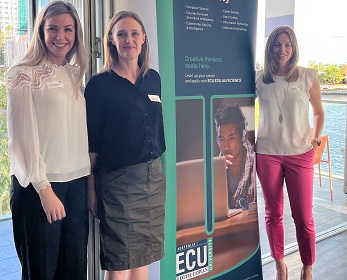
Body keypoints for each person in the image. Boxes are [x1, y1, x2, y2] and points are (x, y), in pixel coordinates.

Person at [6, 2, 90, 279]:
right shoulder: (23, 74)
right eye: (52, 28)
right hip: (38, 187)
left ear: (76, 34)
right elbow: (21, 138)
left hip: (76, 187)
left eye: (68, 29)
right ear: (41, 31)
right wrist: (44, 189)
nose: (60, 37)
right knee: (41, 272)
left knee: (75, 270)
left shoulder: (76, 74)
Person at [85, 11, 166, 280]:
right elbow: (92, 144)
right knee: (119, 262)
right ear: (111, 40)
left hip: (153, 179)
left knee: (143, 257)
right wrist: (91, 188)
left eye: (134, 33)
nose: (128, 39)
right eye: (121, 34)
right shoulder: (99, 85)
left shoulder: (153, 78)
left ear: (143, 39)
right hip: (117, 182)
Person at [255, 25, 324, 280]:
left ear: (293, 48)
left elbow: (318, 111)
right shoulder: (261, 78)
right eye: (276, 45)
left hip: (300, 153)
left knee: (304, 215)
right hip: (267, 153)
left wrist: (316, 137)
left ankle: (307, 265)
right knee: (273, 213)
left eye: (287, 45)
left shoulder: (307, 76)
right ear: (270, 48)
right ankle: (280, 264)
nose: (282, 50)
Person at [214, 104, 255, 210]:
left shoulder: (256, 164)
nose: (226, 146)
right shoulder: (214, 170)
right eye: (221, 139)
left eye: (231, 138)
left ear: (242, 137)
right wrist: (217, 176)